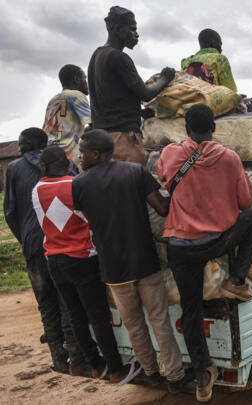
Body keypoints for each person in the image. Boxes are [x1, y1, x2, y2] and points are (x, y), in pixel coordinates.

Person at [156, 104, 252, 402]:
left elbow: (162, 175)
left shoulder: (171, 153)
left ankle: (203, 374)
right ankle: (237, 279)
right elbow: (245, 200)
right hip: (215, 241)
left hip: (179, 246)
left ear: (186, 128)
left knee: (191, 310)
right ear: (213, 128)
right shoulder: (229, 158)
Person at [72, 129, 192, 391]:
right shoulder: (135, 172)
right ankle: (174, 376)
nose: (79, 156)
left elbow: (87, 215)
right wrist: (184, 190)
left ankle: (151, 372)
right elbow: (161, 208)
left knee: (135, 325)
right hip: (145, 261)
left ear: (95, 153)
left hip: (113, 269)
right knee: (160, 320)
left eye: (82, 152)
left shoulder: (79, 184)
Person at [32, 146, 137, 383]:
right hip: (82, 258)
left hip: (54, 260)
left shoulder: (36, 190)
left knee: (76, 316)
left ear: (44, 167)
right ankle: (117, 370)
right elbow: (92, 218)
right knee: (98, 317)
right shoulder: (77, 184)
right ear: (65, 162)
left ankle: (95, 365)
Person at [3, 128, 85, 374]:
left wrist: (27, 240)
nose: (18, 148)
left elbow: (10, 212)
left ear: (31, 145)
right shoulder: (66, 165)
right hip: (65, 244)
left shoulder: (15, 169)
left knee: (46, 303)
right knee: (68, 301)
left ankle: (58, 358)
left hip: (35, 248)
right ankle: (77, 357)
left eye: (21, 143)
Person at [88, 6, 176, 165]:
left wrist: (141, 112)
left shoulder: (98, 54)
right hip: (123, 138)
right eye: (132, 29)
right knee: (129, 186)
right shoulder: (118, 57)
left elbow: (113, 99)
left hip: (102, 137)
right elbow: (146, 94)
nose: (137, 34)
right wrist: (165, 78)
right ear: (116, 29)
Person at [42, 64, 91, 165]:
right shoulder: (76, 95)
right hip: (69, 157)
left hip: (48, 155)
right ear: (76, 79)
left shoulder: (53, 100)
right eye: (84, 78)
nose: (86, 82)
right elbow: (94, 124)